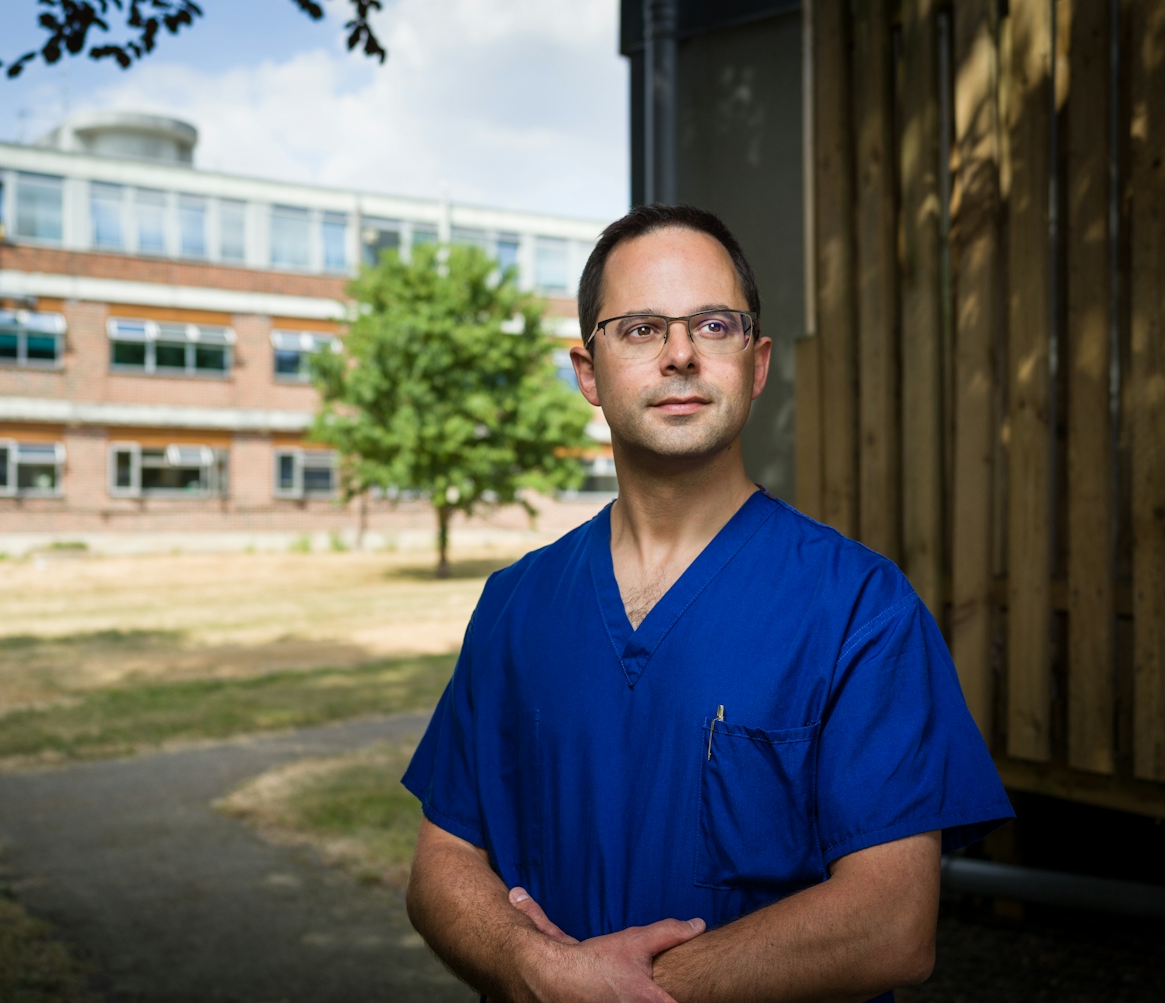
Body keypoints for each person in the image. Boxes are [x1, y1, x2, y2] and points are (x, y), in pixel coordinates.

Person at [401, 203, 1012, 1003]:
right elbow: (441, 866)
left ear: (756, 364)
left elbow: (892, 920)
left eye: (714, 325)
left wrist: (622, 992)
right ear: (588, 371)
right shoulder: (515, 605)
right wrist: (539, 970)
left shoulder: (859, 608)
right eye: (642, 328)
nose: (681, 354)